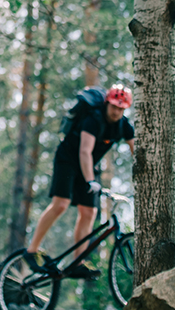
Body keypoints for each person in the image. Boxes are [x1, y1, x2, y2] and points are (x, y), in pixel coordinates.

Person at [25, 84, 136, 279]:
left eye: (121, 108)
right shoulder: (93, 119)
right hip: (68, 159)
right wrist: (90, 180)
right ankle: (31, 251)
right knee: (61, 204)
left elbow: (136, 150)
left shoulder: (124, 125)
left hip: (88, 166)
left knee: (89, 212)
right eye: (114, 107)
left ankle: (78, 262)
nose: (117, 111)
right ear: (107, 104)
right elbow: (84, 151)